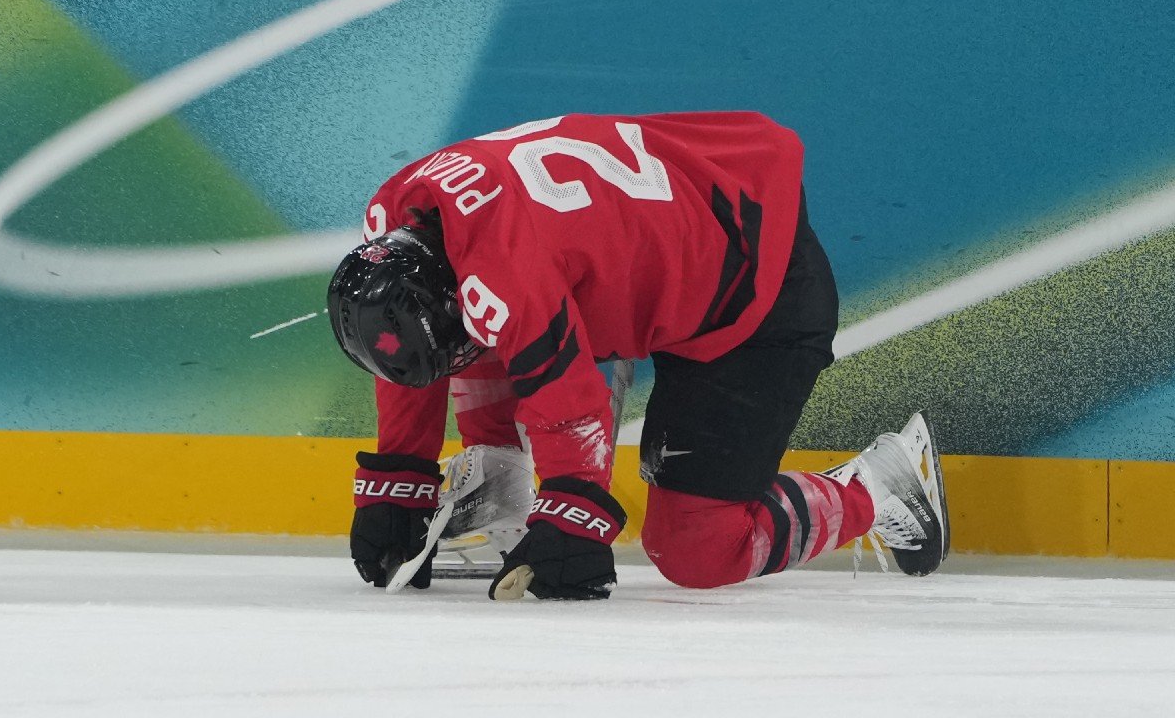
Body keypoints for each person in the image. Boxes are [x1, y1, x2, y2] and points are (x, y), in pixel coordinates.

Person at [327, 112, 948, 600]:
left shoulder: (501, 273)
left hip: (757, 292)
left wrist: (573, 512)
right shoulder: (397, 219)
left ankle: (882, 486)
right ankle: (502, 473)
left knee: (698, 549)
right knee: (476, 325)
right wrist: (399, 475)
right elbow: (413, 337)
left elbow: (571, 403)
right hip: (679, 230)